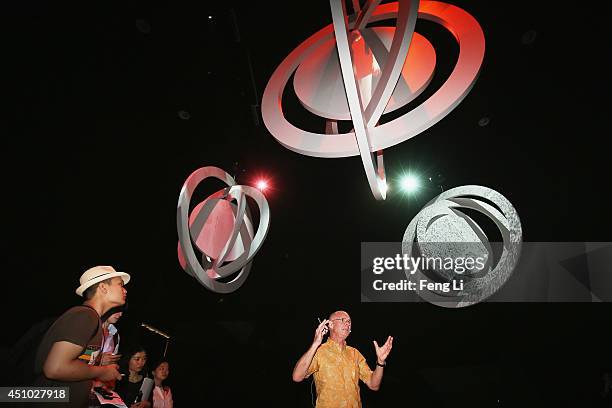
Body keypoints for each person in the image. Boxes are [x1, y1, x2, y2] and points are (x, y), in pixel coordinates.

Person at [33, 265, 130, 408]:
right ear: (103, 288)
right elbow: (55, 368)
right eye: (120, 284)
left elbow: (77, 365)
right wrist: (102, 372)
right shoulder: (85, 316)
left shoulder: (93, 319)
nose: (125, 290)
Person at [292, 310, 393, 408]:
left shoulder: (355, 353)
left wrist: (380, 362)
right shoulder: (319, 352)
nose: (348, 323)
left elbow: (374, 385)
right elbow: (297, 377)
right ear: (330, 325)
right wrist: (315, 344)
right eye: (343, 320)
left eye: (349, 321)